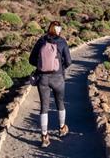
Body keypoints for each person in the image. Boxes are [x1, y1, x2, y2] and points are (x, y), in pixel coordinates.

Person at [28, 20, 72, 148]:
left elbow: (31, 59)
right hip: (58, 78)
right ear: (57, 29)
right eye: (60, 28)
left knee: (44, 107)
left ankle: (44, 136)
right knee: (60, 103)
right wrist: (60, 67)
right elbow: (69, 61)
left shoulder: (41, 41)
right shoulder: (62, 42)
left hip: (42, 78)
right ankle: (62, 128)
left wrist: (42, 66)